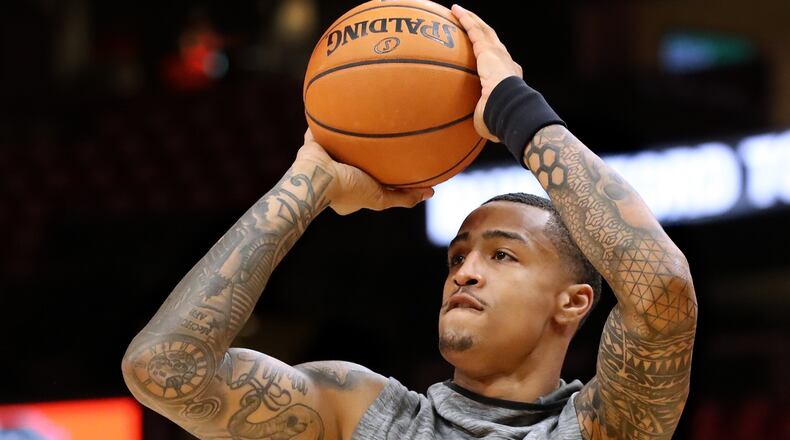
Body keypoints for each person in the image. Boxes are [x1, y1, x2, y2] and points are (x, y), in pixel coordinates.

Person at [122, 5, 697, 440]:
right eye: (458, 256)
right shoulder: (361, 413)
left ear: (572, 301)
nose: (465, 272)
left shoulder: (603, 426)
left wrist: (518, 112)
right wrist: (307, 185)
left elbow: (663, 292)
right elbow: (164, 368)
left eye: (502, 254)